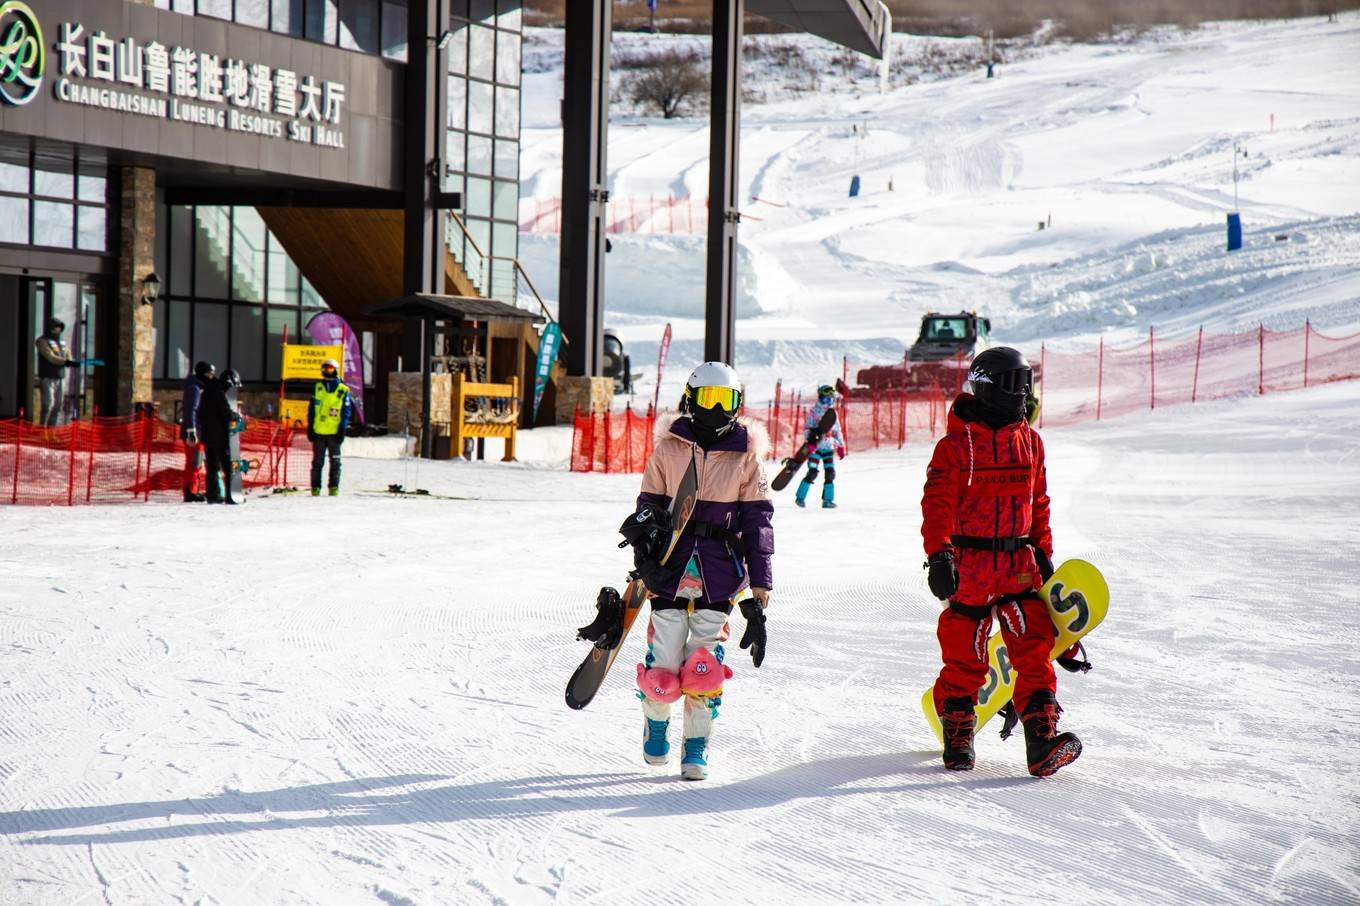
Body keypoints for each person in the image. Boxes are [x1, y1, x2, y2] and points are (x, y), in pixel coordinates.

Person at [920, 346, 1081, 778]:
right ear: (990, 386)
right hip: (970, 564)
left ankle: (1041, 740)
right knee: (965, 655)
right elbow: (937, 505)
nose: (1024, 395)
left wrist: (1043, 554)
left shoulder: (1030, 440)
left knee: (1034, 648)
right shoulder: (955, 447)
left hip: (1018, 564)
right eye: (1017, 386)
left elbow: (1038, 502)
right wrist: (939, 554)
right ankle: (958, 736)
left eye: (1027, 386)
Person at [619, 362, 774, 781]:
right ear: (690, 400)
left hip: (720, 572)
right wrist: (645, 547)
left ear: (738, 404)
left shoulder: (747, 458)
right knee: (665, 662)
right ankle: (656, 720)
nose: (718, 409)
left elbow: (758, 523)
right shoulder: (669, 449)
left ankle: (696, 744)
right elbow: (648, 504)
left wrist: (761, 585)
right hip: (670, 567)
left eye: (727, 400)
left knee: (703, 666)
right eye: (709, 399)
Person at [795, 384, 846, 509]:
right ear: (820, 397)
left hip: (828, 447)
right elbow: (807, 428)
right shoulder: (814, 412)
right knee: (813, 472)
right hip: (816, 448)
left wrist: (841, 445)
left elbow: (837, 431)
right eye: (825, 398)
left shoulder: (832, 413)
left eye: (830, 398)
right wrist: (811, 440)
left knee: (830, 473)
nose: (827, 401)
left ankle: (828, 500)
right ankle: (800, 497)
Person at [307, 358, 351, 497]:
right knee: (317, 462)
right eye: (325, 369)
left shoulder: (343, 390)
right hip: (319, 431)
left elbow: (346, 411)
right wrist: (310, 427)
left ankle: (334, 487)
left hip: (334, 432)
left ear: (336, 370)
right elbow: (312, 409)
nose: (327, 372)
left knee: (336, 462)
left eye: (330, 369)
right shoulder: (318, 387)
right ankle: (315, 488)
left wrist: (343, 428)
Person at [199, 369, 242, 504]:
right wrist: (236, 416)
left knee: (212, 467)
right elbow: (226, 413)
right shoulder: (218, 392)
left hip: (207, 436)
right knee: (228, 467)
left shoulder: (207, 391)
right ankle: (231, 495)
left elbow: (201, 412)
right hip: (220, 437)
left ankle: (213, 495)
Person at [35, 318, 79, 427]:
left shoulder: (62, 341)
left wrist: (71, 361)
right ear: (50, 328)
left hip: (60, 377)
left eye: (60, 327)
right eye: (56, 327)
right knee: (48, 404)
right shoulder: (42, 341)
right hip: (47, 377)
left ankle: (51, 431)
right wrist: (65, 361)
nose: (58, 329)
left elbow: (67, 353)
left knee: (58, 406)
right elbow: (50, 357)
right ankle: (42, 430)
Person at [181, 361, 214, 502]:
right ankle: (190, 492)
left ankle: (193, 489)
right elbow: (191, 410)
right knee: (194, 463)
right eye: (208, 374)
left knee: (197, 463)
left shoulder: (199, 387)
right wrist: (191, 431)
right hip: (194, 433)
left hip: (199, 431)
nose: (211, 377)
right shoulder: (194, 388)